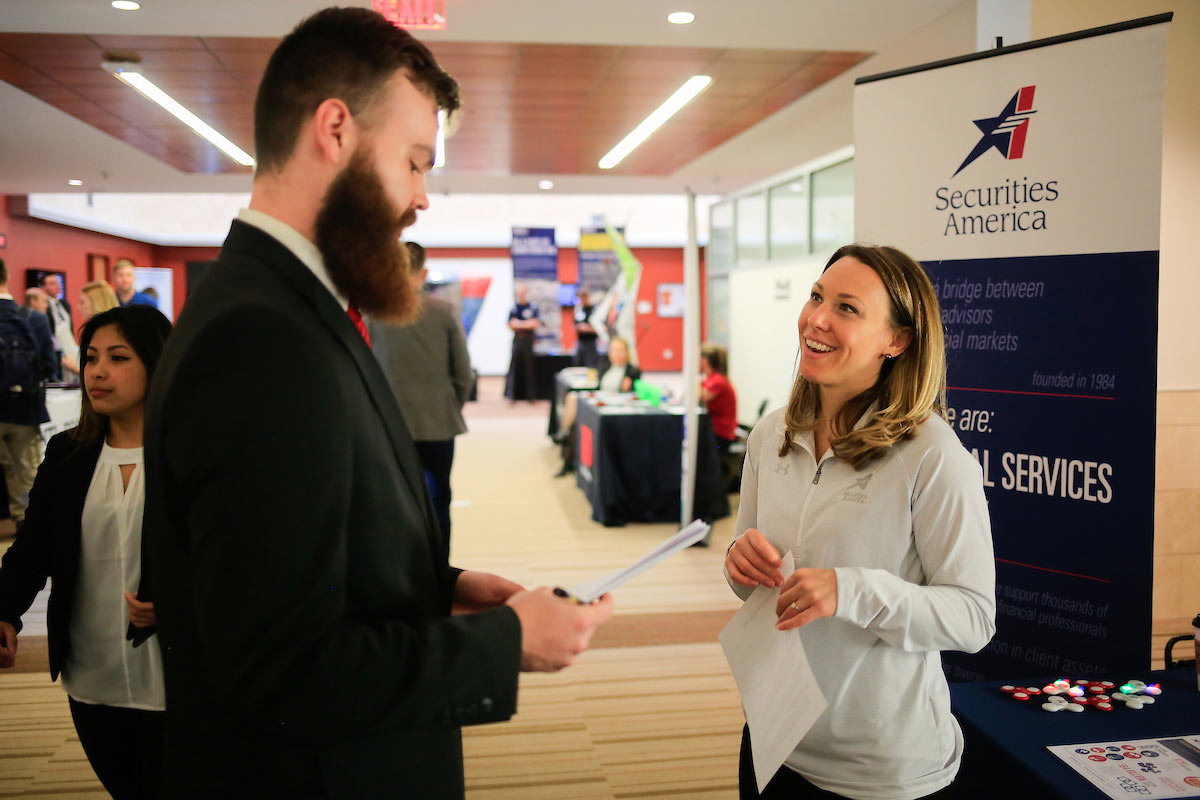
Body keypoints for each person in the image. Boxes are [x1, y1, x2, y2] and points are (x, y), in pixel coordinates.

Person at [140, 9, 613, 799]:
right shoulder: (261, 337)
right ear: (336, 130)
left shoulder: (288, 306)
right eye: (415, 161)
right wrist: (504, 643)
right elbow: (279, 670)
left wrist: (438, 586)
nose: (423, 198)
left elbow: (299, 566)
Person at [723, 244, 996, 800]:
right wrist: (739, 564)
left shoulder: (933, 456)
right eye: (817, 296)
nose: (816, 319)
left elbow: (973, 618)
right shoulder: (771, 435)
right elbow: (747, 582)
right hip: (774, 739)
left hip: (879, 769)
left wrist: (852, 590)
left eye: (848, 308)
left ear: (896, 341)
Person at [0, 305, 173, 800]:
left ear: (157, 364)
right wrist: (5, 609)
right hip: (92, 672)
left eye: (117, 357)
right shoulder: (68, 455)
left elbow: (231, 560)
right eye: (91, 356)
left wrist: (179, 601)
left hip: (179, 672)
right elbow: (34, 548)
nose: (96, 371)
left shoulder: (192, 456)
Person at [368, 241, 473, 548]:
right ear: (423, 271)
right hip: (438, 421)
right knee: (439, 497)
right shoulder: (443, 311)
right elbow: (463, 373)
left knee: (393, 500)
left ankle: (402, 567)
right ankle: (439, 569)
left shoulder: (372, 312)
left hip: (388, 424)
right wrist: (451, 404)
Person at [0, 258, 57, 530]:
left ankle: (14, 517)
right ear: (7, 276)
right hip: (25, 410)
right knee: (28, 473)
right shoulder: (34, 319)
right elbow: (49, 365)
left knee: (8, 471)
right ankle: (29, 523)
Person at [552, 335, 641, 477]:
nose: (616, 354)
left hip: (613, 409)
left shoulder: (632, 371)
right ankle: (567, 455)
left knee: (576, 422)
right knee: (574, 411)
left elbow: (634, 396)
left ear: (626, 352)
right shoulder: (605, 366)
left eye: (619, 350)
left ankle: (564, 436)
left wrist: (628, 388)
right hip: (599, 403)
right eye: (613, 350)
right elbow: (597, 385)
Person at [505, 283, 540, 402]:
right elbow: (511, 324)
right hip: (517, 340)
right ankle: (511, 395)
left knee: (529, 368)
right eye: (519, 293)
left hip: (528, 340)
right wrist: (525, 324)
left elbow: (535, 323)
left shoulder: (533, 307)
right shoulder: (514, 308)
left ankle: (531, 395)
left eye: (523, 292)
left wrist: (519, 324)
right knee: (514, 367)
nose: (521, 295)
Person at [41, 273, 80, 378]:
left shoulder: (64, 304)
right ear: (44, 287)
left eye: (58, 283)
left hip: (69, 345)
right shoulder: (43, 305)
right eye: (52, 283)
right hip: (55, 349)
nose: (57, 286)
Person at [573, 288, 599, 368]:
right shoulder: (579, 309)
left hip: (591, 343)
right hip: (580, 342)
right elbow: (575, 324)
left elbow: (599, 328)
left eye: (584, 297)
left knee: (590, 365)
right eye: (581, 298)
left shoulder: (594, 310)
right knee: (578, 363)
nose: (582, 300)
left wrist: (588, 328)